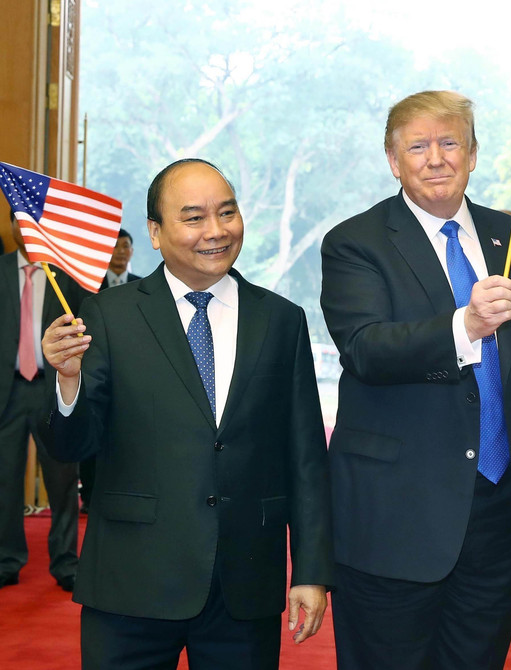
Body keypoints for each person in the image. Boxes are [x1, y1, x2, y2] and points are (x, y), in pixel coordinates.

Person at [320, 90, 511, 669]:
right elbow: (366, 349)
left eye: (449, 143)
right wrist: (465, 325)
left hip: (496, 513)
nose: (435, 158)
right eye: (418, 146)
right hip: (396, 514)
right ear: (394, 160)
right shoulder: (355, 243)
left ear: (472, 153)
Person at [40, 158, 333, 669]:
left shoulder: (281, 320)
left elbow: (305, 456)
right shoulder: (109, 315)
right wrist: (69, 382)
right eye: (193, 217)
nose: (215, 231)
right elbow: (73, 447)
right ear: (155, 232)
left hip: (244, 583)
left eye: (227, 212)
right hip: (131, 581)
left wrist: (309, 570)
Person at [0, 210, 87, 592]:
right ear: (12, 227)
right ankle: (7, 559)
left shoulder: (64, 274)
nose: (25, 229)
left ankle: (66, 562)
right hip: (9, 391)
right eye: (18, 222)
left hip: (54, 390)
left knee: (63, 478)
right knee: (4, 480)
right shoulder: (1, 269)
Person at [78, 228, 142, 512]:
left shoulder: (143, 288)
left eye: (125, 246)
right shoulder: (87, 287)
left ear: (131, 251)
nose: (119, 252)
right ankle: (90, 498)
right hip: (97, 373)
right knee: (92, 433)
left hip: (134, 377)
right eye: (114, 247)